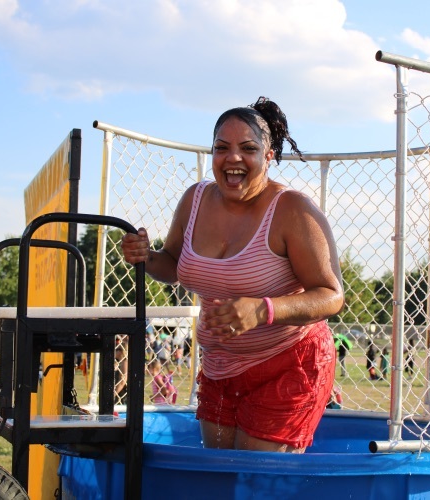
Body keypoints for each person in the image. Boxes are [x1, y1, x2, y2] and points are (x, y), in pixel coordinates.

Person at [121, 96, 344, 453]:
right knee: (221, 480)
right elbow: (172, 264)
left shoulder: (292, 210)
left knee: (255, 485)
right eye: (222, 148)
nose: (233, 158)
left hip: (289, 364)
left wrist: (262, 310)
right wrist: (145, 257)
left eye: (248, 148)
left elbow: (331, 295)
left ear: (269, 156)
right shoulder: (194, 199)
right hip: (220, 370)